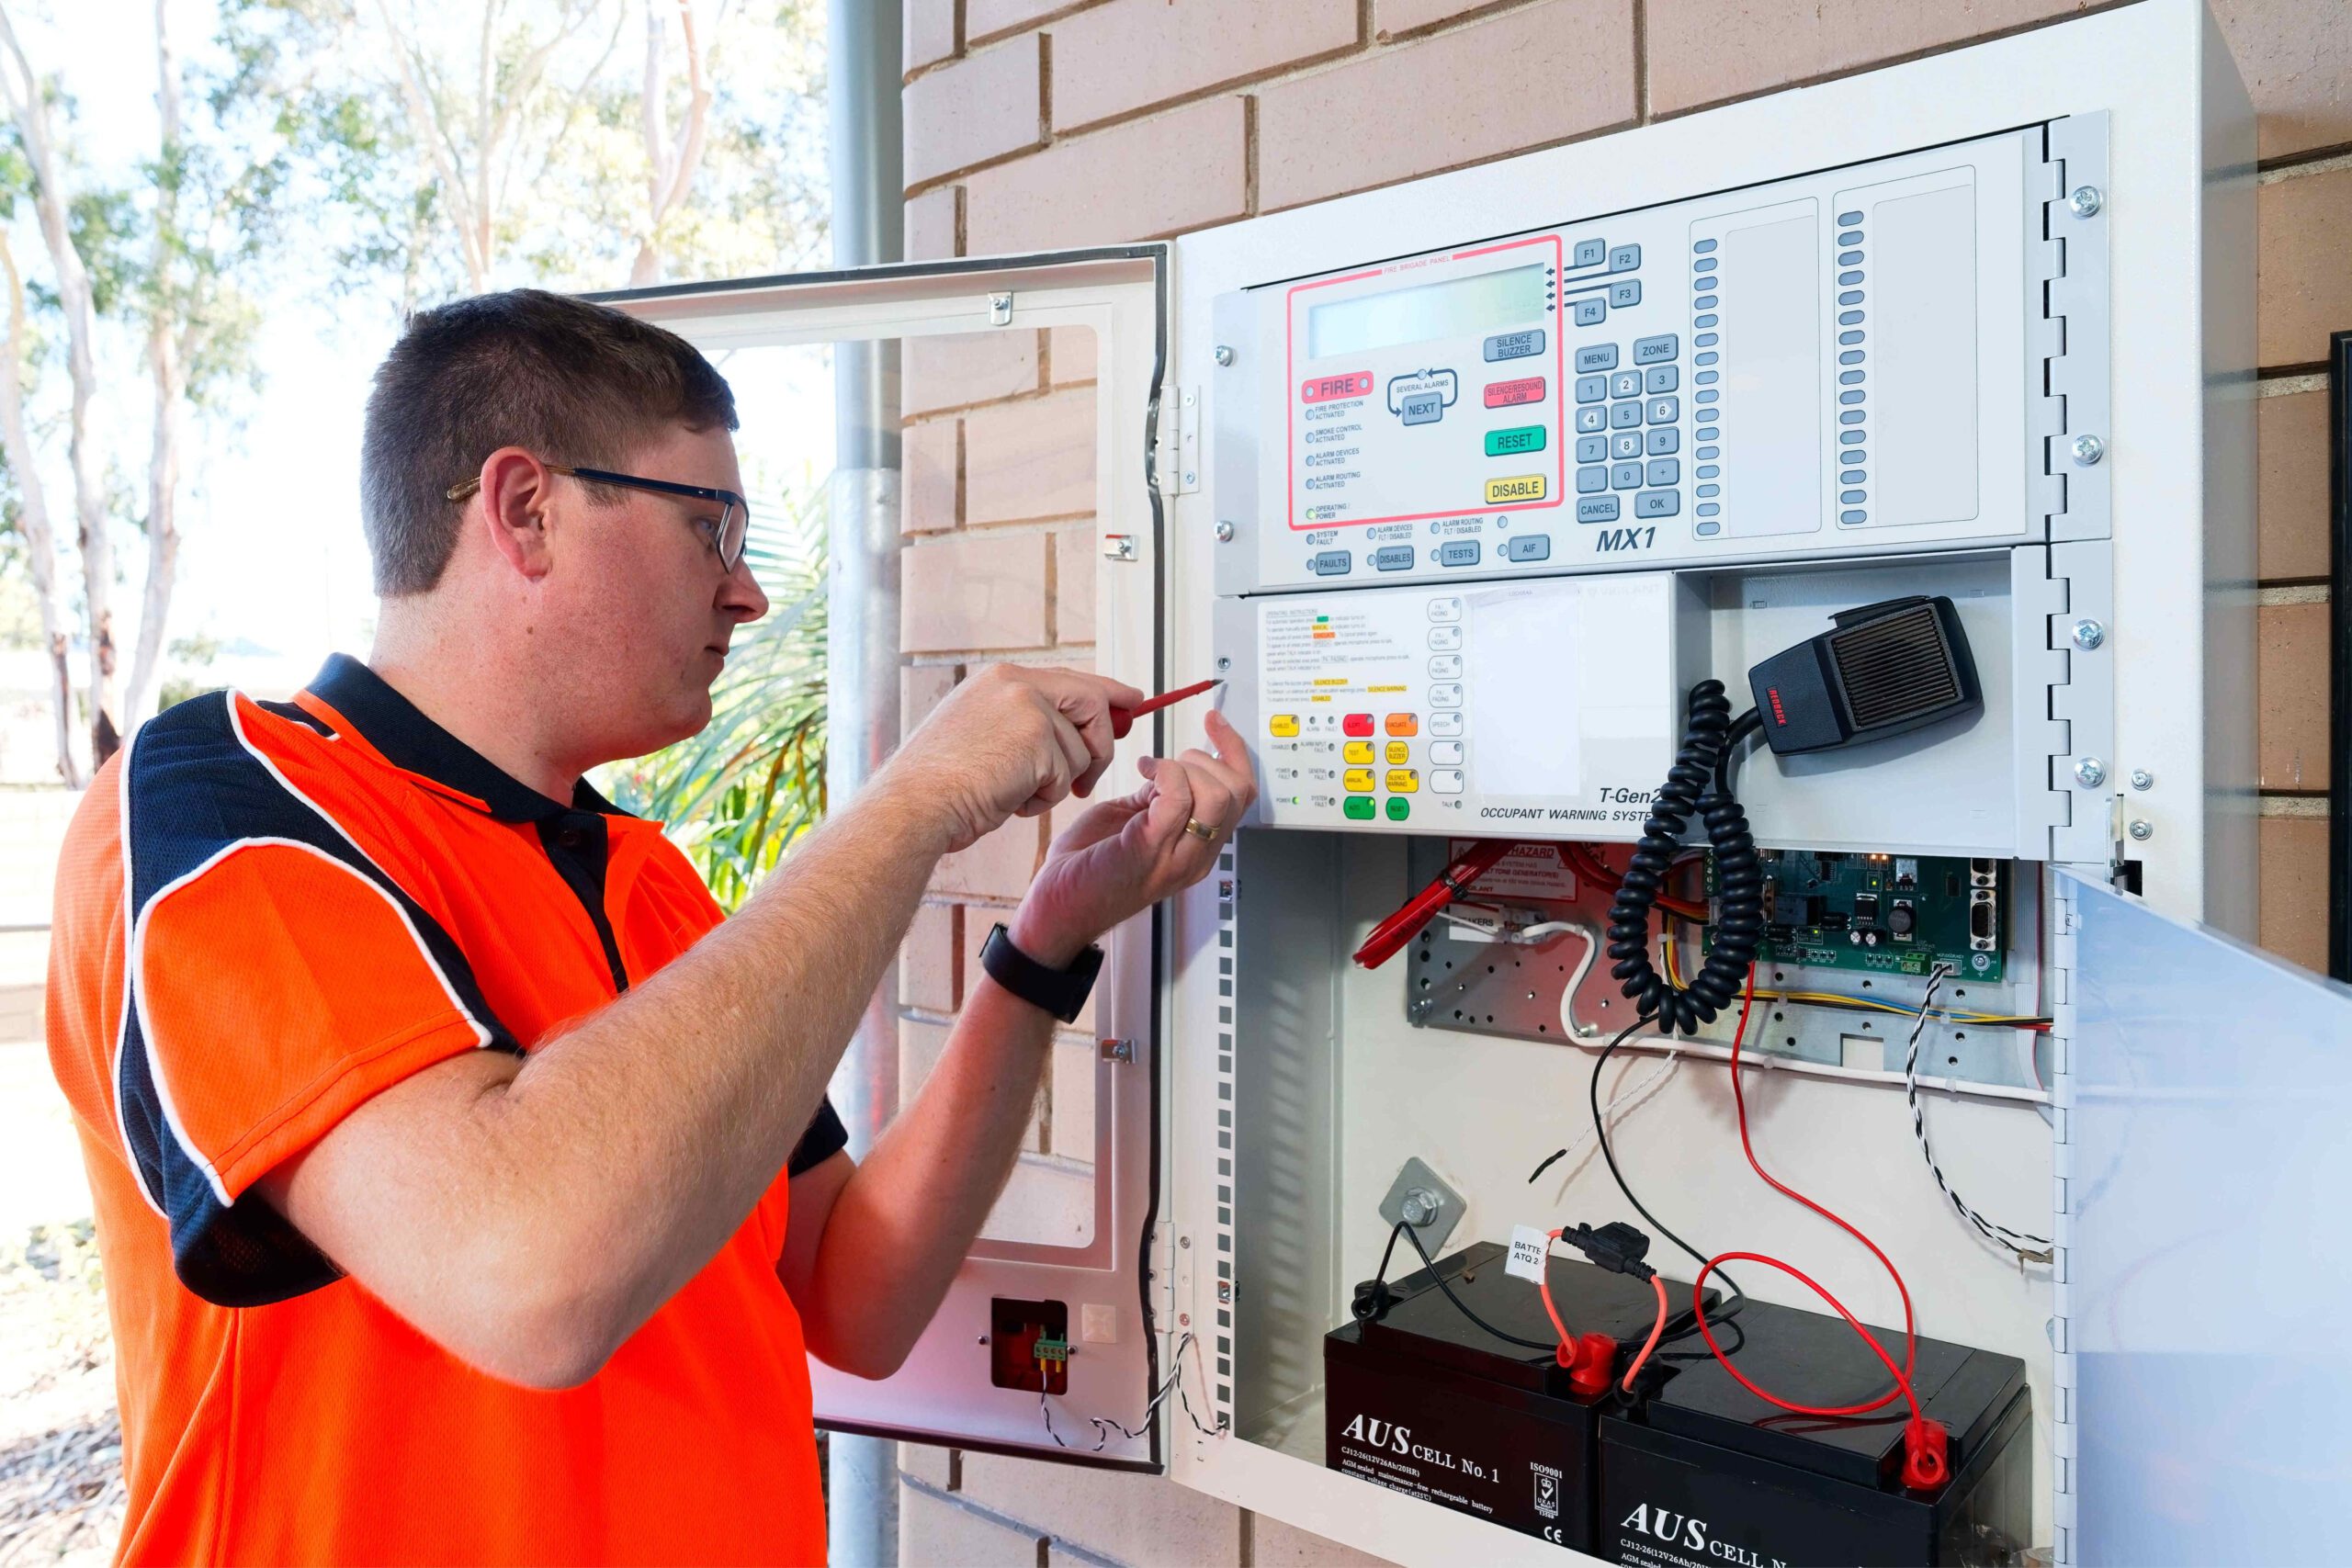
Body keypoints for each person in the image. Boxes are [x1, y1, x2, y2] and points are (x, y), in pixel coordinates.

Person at [44, 288, 1253, 1565]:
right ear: (527, 511)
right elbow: (528, 1276)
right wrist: (913, 805)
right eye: (711, 530)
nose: (748, 597)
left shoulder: (646, 880)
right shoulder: (215, 806)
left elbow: (855, 1295)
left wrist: (1047, 943)